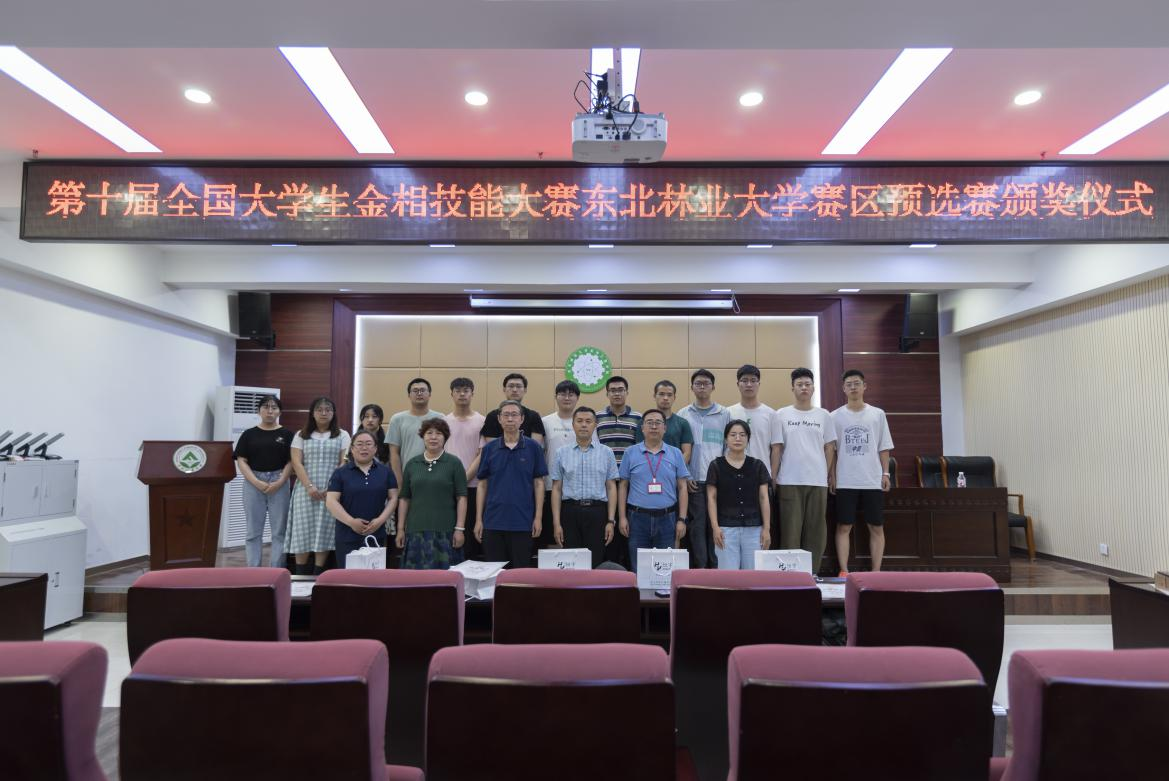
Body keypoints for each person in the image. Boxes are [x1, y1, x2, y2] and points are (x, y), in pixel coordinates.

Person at [831, 369, 894, 575]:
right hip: (845, 480)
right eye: (849, 384)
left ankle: (876, 572)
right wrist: (832, 476)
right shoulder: (834, 416)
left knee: (876, 527)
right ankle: (844, 571)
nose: (853, 387)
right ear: (843, 388)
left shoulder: (877, 414)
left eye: (857, 383)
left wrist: (886, 474)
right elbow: (832, 450)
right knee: (843, 527)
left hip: (872, 480)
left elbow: (883, 447)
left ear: (865, 386)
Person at [775, 368, 838, 574]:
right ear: (792, 388)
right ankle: (789, 576)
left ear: (813, 388)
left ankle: (812, 574)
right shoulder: (781, 414)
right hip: (789, 480)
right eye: (799, 384)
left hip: (817, 482)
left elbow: (829, 447)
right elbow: (777, 448)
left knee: (815, 532)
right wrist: (774, 477)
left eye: (807, 384)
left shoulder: (824, 415)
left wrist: (825, 472)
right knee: (790, 532)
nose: (804, 387)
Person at [475, 400, 548, 568]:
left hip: (523, 522)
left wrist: (538, 518)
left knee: (520, 573)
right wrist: (479, 519)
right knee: (494, 573)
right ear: (499, 419)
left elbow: (539, 484)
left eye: (514, 415)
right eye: (506, 415)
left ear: (521, 419)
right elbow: (482, 484)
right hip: (493, 522)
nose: (510, 419)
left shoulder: (533, 447)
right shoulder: (489, 449)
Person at [618, 408, 690, 574]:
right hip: (637, 519)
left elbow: (682, 487)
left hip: (668, 519)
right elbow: (622, 486)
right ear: (642, 428)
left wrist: (682, 519)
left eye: (658, 423)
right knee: (639, 569)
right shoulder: (630, 452)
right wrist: (622, 517)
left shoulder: (676, 453)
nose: (654, 426)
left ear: (665, 428)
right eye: (649, 423)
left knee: (664, 569)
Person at [288, 396, 351, 574]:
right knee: (302, 531)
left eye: (328, 409)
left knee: (324, 530)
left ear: (333, 413)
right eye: (319, 409)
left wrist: (332, 487)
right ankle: (300, 574)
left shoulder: (343, 435)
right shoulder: (300, 435)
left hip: (332, 491)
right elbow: (296, 462)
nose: (324, 413)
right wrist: (309, 486)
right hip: (305, 490)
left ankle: (318, 574)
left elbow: (344, 462)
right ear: (312, 413)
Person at [395, 418, 468, 569]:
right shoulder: (412, 464)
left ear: (445, 437)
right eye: (429, 433)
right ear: (423, 436)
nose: (433, 437)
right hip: (415, 531)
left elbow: (461, 497)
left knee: (445, 578)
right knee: (415, 578)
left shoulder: (454, 463)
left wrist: (459, 529)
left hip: (445, 532)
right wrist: (401, 529)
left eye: (439, 433)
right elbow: (404, 498)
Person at [550, 406, 618, 568]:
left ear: (595, 425)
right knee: (571, 562)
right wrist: (556, 523)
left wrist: (610, 520)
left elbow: (611, 487)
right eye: (579, 421)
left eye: (588, 421)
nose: (584, 425)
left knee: (595, 561)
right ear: (573, 425)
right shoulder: (561, 453)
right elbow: (556, 489)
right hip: (569, 512)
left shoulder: (607, 452)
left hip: (597, 513)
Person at [677, 369, 731, 569]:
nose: (702, 387)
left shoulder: (724, 413)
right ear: (692, 387)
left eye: (706, 383)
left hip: (717, 482)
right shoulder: (683, 414)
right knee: (697, 527)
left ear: (713, 387)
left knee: (716, 526)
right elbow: (680, 450)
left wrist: (724, 476)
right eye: (698, 383)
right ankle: (700, 570)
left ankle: (716, 571)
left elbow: (728, 448)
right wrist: (686, 475)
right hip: (694, 482)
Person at [233, 394, 293, 567]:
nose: (270, 411)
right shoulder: (249, 434)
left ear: (279, 411)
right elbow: (241, 461)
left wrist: (280, 481)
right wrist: (256, 481)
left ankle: (276, 569)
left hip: (279, 481)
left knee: (279, 531)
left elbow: (291, 461)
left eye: (274, 407)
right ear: (258, 410)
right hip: (253, 482)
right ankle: (254, 571)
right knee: (253, 532)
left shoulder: (287, 434)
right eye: (266, 407)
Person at [726, 364, 782, 548]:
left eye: (753, 380)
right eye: (744, 380)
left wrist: (773, 476)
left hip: (760, 478)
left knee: (762, 525)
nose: (749, 384)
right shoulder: (728, 412)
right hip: (732, 477)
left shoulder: (771, 414)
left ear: (759, 384)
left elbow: (776, 448)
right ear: (738, 384)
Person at [706, 420, 772, 570]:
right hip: (725, 530)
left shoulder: (757, 465)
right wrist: (715, 527)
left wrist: (766, 528)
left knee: (753, 576)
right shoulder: (716, 465)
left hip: (754, 529)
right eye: (733, 435)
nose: (738, 438)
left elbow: (764, 498)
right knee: (728, 577)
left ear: (748, 439)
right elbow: (711, 498)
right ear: (726, 439)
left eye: (742, 435)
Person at [326, 430, 397, 566]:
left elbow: (393, 498)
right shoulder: (340, 473)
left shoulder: (386, 472)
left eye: (368, 444)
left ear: (375, 448)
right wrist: (351, 522)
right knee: (348, 576)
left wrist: (380, 520)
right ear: (352, 449)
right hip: (347, 535)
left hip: (376, 534)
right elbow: (331, 501)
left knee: (373, 576)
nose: (364, 448)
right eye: (359, 444)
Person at [541, 380, 597, 551]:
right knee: (555, 536)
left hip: (578, 489)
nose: (567, 398)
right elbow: (541, 452)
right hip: (552, 487)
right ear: (556, 397)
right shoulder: (545, 421)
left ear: (577, 398)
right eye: (562, 394)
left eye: (571, 394)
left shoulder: (586, 422)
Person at [444, 377, 486, 560]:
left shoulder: (482, 421)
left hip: (474, 487)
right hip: (447, 486)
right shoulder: (443, 422)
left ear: (472, 394)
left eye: (466, 390)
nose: (462, 394)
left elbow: (482, 454)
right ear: (451, 394)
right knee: (449, 535)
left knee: (470, 537)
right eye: (458, 390)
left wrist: (462, 479)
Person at [387, 378, 444, 491]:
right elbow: (394, 454)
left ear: (429, 394)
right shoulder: (397, 419)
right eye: (415, 391)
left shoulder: (440, 418)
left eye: (423, 390)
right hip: (407, 478)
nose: (419, 393)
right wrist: (399, 483)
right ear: (409, 395)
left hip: (436, 478)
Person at [635, 380, 694, 463]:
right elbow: (639, 451)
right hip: (649, 468)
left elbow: (687, 453)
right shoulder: (643, 423)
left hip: (675, 469)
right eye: (661, 394)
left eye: (669, 395)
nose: (665, 398)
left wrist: (675, 469)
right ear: (654, 396)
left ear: (674, 398)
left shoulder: (682, 423)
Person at [479, 373, 545, 445]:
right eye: (511, 386)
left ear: (525, 390)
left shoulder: (534, 416)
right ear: (504, 389)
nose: (514, 390)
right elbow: (493, 448)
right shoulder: (492, 416)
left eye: (519, 386)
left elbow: (535, 447)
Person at [595, 376, 643, 464]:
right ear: (607, 394)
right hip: (604, 468)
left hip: (629, 468)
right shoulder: (597, 417)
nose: (617, 394)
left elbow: (641, 446)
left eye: (621, 390)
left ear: (627, 393)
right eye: (613, 390)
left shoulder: (638, 418)